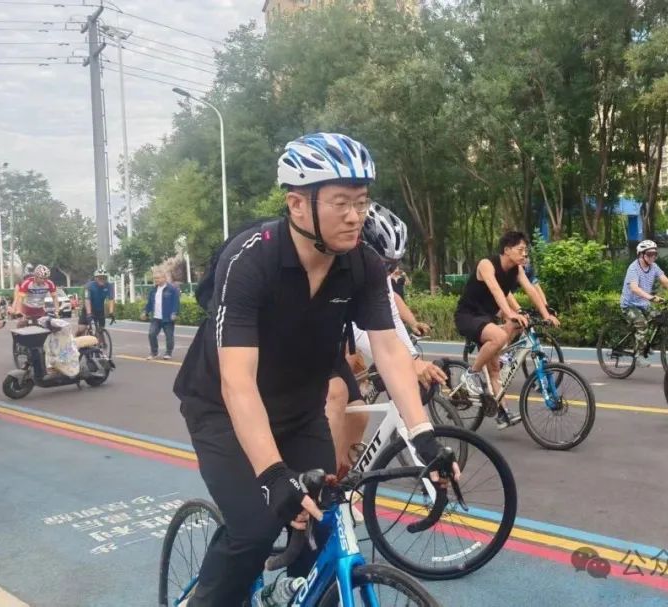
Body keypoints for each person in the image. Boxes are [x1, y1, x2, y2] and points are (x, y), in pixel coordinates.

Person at [172, 133, 459, 607]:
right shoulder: (251, 259)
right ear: (297, 205)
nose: (355, 216)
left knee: (324, 524)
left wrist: (424, 436)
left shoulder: (363, 265)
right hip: (222, 410)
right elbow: (237, 381)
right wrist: (272, 475)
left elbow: (389, 350)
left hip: (300, 409)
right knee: (256, 526)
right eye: (341, 202)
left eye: (362, 202)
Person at [324, 200, 446, 472]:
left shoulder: (374, 274)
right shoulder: (334, 265)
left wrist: (411, 358)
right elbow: (363, 331)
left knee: (358, 416)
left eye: (392, 266)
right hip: (298, 346)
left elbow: (388, 323)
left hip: (333, 344)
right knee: (336, 393)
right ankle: (320, 482)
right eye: (383, 263)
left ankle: (341, 479)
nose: (387, 272)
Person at [454, 231, 559, 428]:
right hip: (468, 316)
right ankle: (471, 373)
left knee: (495, 368)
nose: (524, 254)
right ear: (507, 250)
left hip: (487, 318)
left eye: (526, 250)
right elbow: (496, 291)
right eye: (520, 250)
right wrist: (510, 313)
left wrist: (546, 315)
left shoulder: (516, 270)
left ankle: (503, 414)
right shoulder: (487, 264)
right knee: (499, 336)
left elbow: (531, 290)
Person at [619, 240, 668, 365]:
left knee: (659, 317)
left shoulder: (654, 266)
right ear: (641, 254)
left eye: (655, 254)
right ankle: (638, 356)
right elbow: (634, 288)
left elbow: (665, 281)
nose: (653, 257)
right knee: (642, 324)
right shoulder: (633, 268)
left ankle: (644, 344)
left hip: (644, 303)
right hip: (630, 305)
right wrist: (651, 298)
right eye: (649, 254)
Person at [142, 270, 181, 360]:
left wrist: (174, 313)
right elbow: (149, 304)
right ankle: (154, 352)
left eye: (158, 278)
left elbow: (176, 303)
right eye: (155, 278)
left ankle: (168, 353)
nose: (156, 280)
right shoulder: (153, 290)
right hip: (156, 318)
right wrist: (145, 312)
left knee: (169, 336)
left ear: (164, 278)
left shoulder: (172, 289)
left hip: (168, 318)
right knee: (151, 334)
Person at [77, 267, 115, 337]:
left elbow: (111, 299)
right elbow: (87, 300)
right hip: (87, 309)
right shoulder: (89, 286)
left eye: (104, 278)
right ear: (95, 278)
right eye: (99, 278)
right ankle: (75, 341)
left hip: (100, 310)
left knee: (101, 330)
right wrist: (89, 313)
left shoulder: (109, 286)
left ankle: (99, 342)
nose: (102, 279)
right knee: (81, 329)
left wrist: (111, 312)